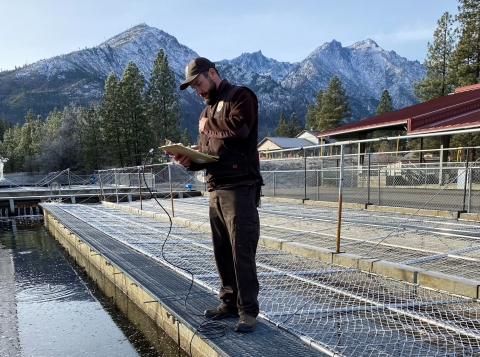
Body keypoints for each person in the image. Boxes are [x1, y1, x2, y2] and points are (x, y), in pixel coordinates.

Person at [171, 57, 263, 333]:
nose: (198, 91)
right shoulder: (205, 113)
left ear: (212, 73)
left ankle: (248, 311)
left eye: (198, 84)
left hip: (240, 188)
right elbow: (207, 156)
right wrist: (187, 160)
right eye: (194, 88)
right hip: (216, 187)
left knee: (241, 251)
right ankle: (229, 303)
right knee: (222, 250)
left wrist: (207, 125)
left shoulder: (240, 96)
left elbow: (240, 128)